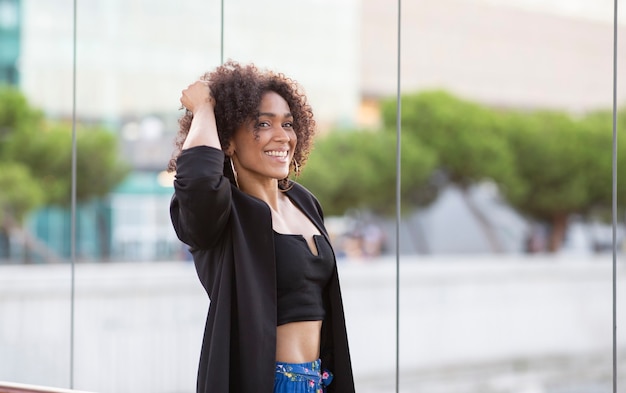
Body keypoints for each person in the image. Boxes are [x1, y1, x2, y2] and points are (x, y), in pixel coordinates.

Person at [168, 61, 355, 393]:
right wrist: (204, 108)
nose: (282, 136)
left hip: (320, 380)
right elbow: (197, 180)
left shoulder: (305, 202)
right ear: (228, 141)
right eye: (263, 124)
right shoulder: (222, 215)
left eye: (287, 123)